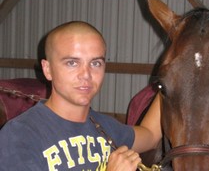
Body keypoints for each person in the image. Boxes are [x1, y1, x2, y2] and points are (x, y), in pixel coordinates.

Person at [0, 21, 162, 171]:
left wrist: (172, 78)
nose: (86, 74)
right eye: (72, 63)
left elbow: (151, 135)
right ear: (47, 69)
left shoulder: (105, 127)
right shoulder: (20, 134)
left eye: (95, 63)